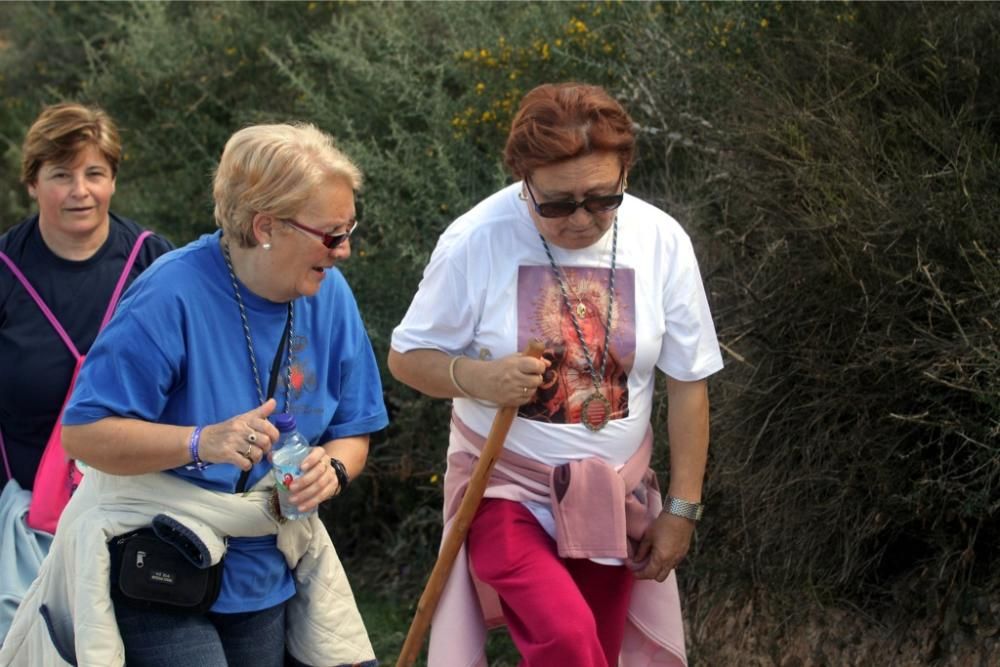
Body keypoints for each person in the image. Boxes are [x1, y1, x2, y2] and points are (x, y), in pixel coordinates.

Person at [0, 122, 388, 666]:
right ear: (266, 226)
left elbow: (354, 428)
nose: (345, 250)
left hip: (264, 568)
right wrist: (200, 441)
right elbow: (85, 434)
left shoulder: (328, 293)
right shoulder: (169, 293)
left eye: (348, 229)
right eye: (331, 234)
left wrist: (335, 469)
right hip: (156, 566)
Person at [388, 82, 724, 667]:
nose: (582, 219)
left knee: (594, 650)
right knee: (569, 642)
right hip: (504, 488)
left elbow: (689, 382)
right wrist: (478, 378)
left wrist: (682, 508)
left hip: (614, 492)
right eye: (558, 204)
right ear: (525, 182)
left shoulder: (661, 240)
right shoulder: (476, 240)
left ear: (625, 175)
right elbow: (406, 357)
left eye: (602, 199)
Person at [0, 102, 173, 642]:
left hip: (134, 511)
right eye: (60, 175)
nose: (80, 190)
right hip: (29, 519)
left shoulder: (153, 264)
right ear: (32, 183)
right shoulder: (5, 269)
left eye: (95, 173)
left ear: (113, 180)